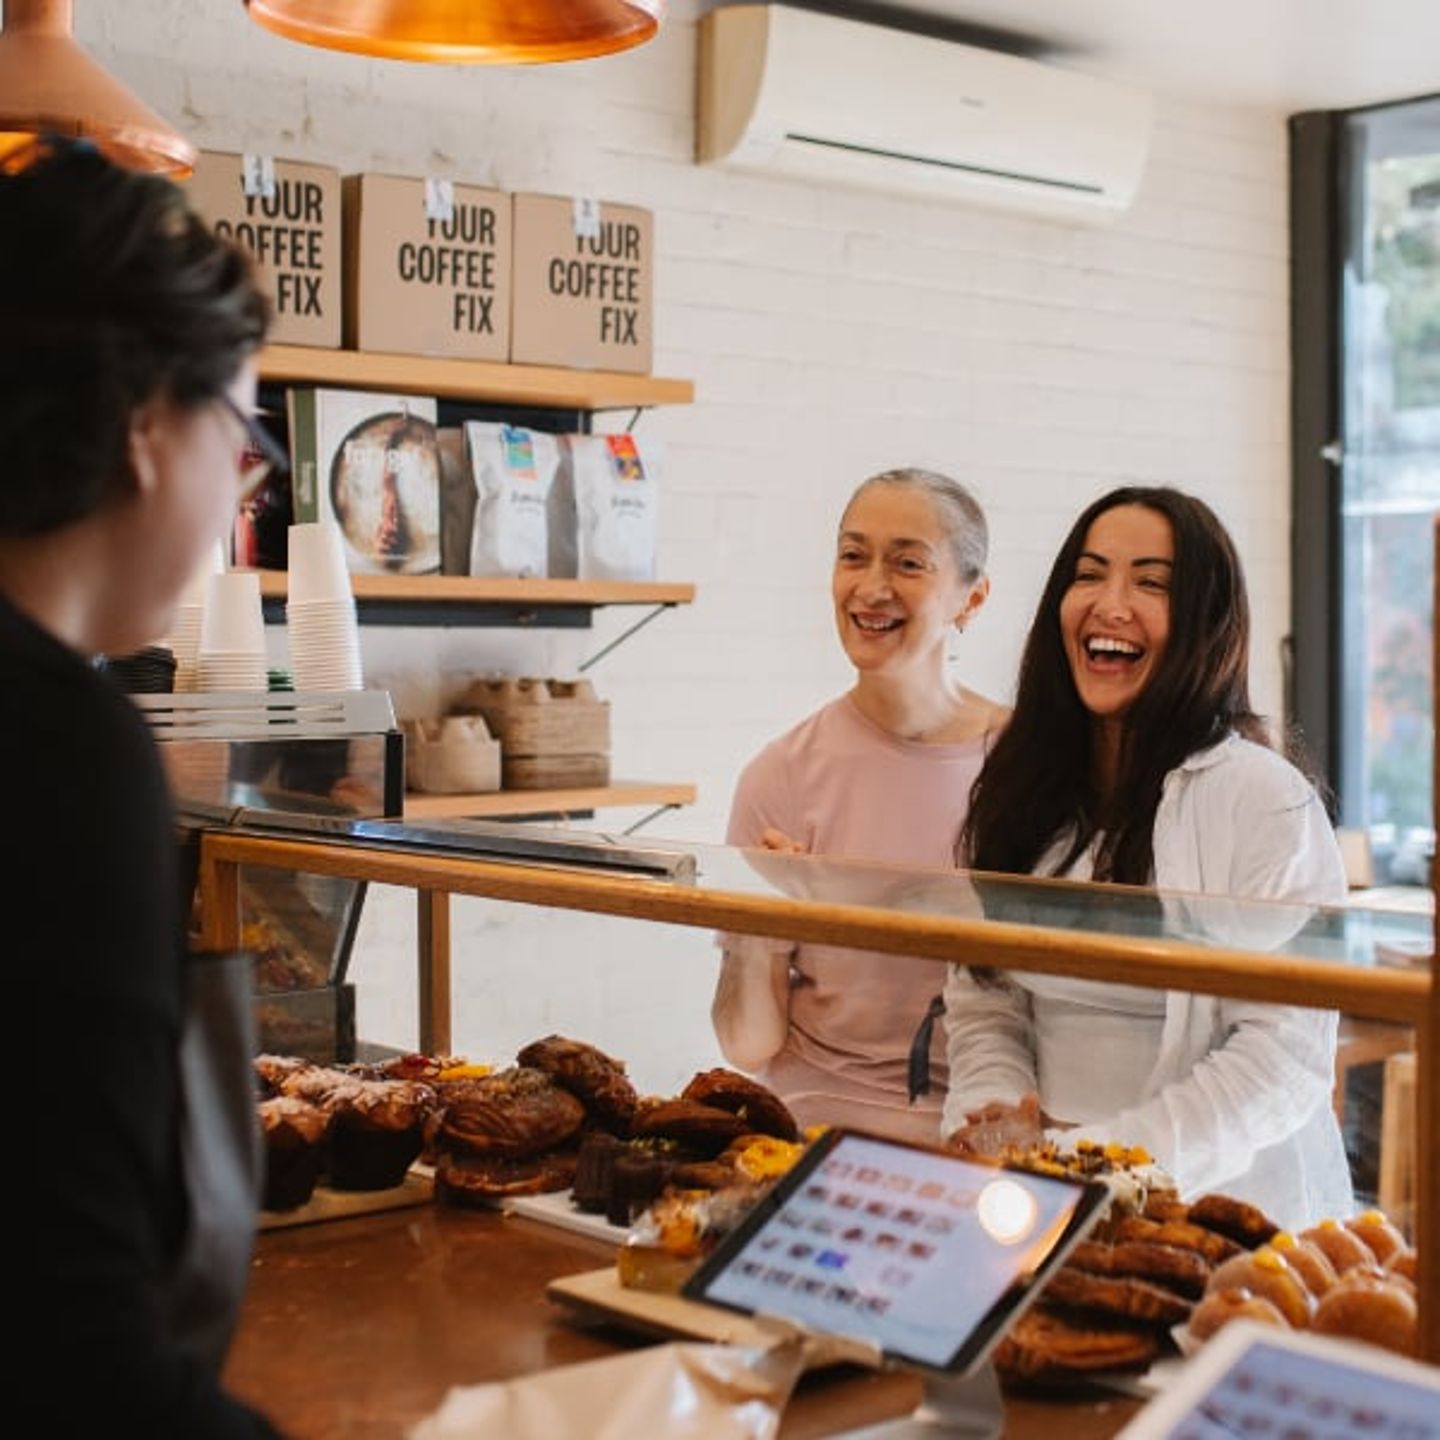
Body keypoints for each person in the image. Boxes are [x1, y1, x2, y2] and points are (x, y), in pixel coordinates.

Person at [2, 139, 283, 1434]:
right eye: (241, 430)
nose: (251, 481)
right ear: (139, 426)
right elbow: (70, 1349)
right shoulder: (61, 743)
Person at [940, 485, 1353, 1229]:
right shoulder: (1019, 784)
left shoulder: (1263, 798)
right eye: (1090, 574)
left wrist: (1100, 1163)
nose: (1111, 603)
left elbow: (1280, 1059)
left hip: (1219, 1210)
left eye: (1152, 583)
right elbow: (984, 998)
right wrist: (995, 1126)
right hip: (1029, 1200)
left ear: (1205, 622)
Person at [712, 468, 1006, 1142]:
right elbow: (748, 1044)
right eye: (853, 555)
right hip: (814, 1128)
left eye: (908, 563)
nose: (871, 587)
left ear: (973, 597)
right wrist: (762, 925)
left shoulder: (1024, 766)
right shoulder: (779, 775)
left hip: (985, 1132)